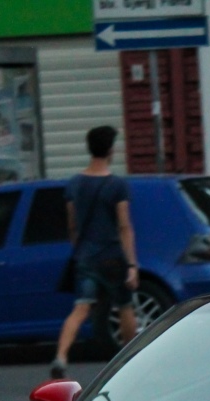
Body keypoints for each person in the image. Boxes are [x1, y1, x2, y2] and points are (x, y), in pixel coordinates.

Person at [49, 125, 139, 379]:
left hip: (85, 256)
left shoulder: (75, 184)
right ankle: (130, 358)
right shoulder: (117, 185)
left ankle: (61, 357)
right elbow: (124, 226)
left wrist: (79, 247)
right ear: (110, 150)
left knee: (80, 309)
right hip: (112, 255)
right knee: (124, 305)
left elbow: (72, 225)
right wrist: (132, 264)